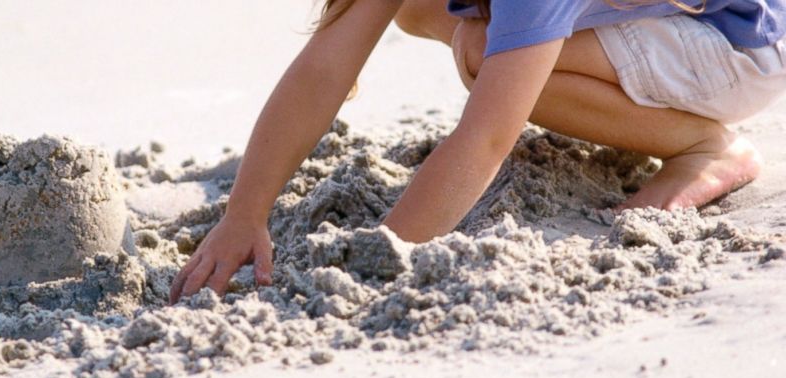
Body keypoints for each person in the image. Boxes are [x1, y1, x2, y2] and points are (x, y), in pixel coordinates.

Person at [169, 0, 786, 304]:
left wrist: (382, 256)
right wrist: (243, 214)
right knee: (418, 9)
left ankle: (705, 144)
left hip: (739, 49)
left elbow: (488, 136)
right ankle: (535, 54)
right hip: (666, 26)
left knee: (481, 51)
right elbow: (324, 67)